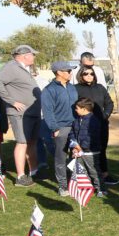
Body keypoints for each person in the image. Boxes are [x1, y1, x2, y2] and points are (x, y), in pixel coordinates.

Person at [0, 44, 42, 186]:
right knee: (22, 142)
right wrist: (12, 101)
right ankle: (20, 177)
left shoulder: (24, 68)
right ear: (24, 55)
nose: (34, 57)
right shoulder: (11, 67)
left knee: (32, 142)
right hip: (20, 114)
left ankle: (34, 171)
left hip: (33, 112)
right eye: (33, 54)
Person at [40, 61, 79, 195]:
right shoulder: (49, 90)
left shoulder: (72, 87)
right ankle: (63, 186)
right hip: (60, 128)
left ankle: (76, 182)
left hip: (75, 127)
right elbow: (48, 111)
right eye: (68, 71)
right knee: (60, 158)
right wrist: (54, 128)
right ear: (59, 72)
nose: (70, 73)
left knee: (76, 155)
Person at [75, 65, 117, 185]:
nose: (89, 76)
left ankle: (104, 175)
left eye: (91, 73)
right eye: (86, 74)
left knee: (101, 149)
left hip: (101, 124)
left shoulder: (100, 88)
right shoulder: (76, 88)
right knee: (84, 149)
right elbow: (74, 106)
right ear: (81, 75)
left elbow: (109, 103)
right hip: (84, 126)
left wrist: (106, 115)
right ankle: (84, 177)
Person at [67, 97, 107, 198]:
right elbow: (72, 133)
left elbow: (91, 137)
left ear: (84, 109)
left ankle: (101, 189)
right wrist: (74, 144)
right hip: (79, 151)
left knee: (93, 171)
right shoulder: (76, 120)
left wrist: (81, 147)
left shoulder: (94, 121)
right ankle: (86, 188)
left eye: (77, 108)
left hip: (90, 152)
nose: (75, 110)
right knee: (81, 170)